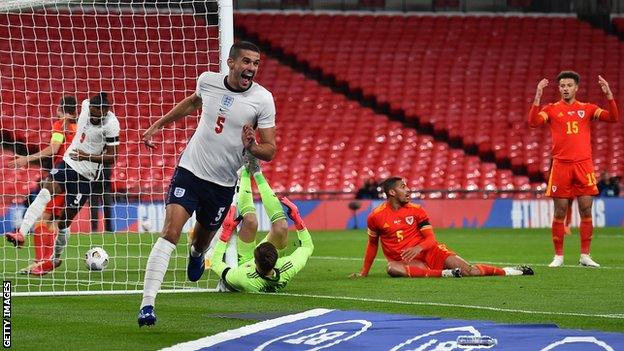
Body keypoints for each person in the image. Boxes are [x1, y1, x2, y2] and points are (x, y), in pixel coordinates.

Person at [137, 41, 277, 327]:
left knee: (201, 242)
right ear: (231, 62)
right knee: (170, 232)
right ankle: (147, 304)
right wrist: (158, 125)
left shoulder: (263, 99)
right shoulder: (208, 81)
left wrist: (252, 146)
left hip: (223, 184)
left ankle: (196, 253)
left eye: (256, 64)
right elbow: (192, 102)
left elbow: (271, 150)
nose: (251, 68)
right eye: (247, 62)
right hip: (190, 170)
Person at [6, 92, 120, 275]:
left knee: (62, 221)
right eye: (89, 111)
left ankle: (52, 260)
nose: (91, 115)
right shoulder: (83, 109)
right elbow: (74, 121)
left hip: (87, 176)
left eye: (96, 112)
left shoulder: (109, 125)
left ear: (104, 110)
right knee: (44, 195)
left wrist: (86, 156)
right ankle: (21, 234)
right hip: (68, 164)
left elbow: (112, 157)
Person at [350, 177, 533, 279]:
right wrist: (364, 272)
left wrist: (418, 248)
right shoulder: (375, 216)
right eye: (403, 187)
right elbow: (372, 244)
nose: (408, 190)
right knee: (392, 269)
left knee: (469, 271)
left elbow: (431, 239)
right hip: (406, 262)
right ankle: (445, 274)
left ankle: (511, 271)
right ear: (392, 192)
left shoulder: (417, 210)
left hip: (431, 252)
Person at [529, 71, 619, 268]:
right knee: (560, 211)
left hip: (583, 165)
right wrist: (537, 96)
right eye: (562, 86)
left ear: (576, 87)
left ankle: (585, 255)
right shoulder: (552, 109)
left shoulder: (586, 109)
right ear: (559, 88)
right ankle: (558, 256)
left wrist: (609, 95)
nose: (566, 89)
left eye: (569, 85)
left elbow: (613, 117)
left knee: (586, 209)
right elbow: (533, 122)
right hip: (561, 166)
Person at [8, 96, 78, 275]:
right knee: (54, 221)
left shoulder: (60, 124)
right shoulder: (80, 127)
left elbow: (53, 149)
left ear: (60, 108)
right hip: (79, 176)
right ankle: (45, 262)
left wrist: (26, 158)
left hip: (61, 176)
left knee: (43, 220)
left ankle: (42, 262)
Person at [210, 196, 313, 293]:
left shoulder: (242, 278)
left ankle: (246, 179)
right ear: (277, 260)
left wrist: (225, 232)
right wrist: (297, 219)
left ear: (255, 262)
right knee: (278, 227)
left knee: (251, 221)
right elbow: (307, 247)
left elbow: (215, 263)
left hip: (242, 263)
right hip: (256, 271)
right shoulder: (287, 268)